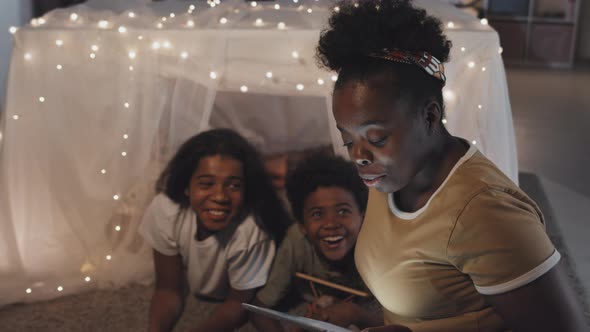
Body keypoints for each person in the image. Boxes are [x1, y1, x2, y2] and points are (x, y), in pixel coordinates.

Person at [316, 1, 588, 331]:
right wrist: (365, 315)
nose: (358, 155)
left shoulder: (484, 212)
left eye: (375, 137)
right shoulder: (391, 175)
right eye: (348, 140)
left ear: (429, 116)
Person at [139, 128, 291, 332]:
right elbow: (168, 289)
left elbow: (240, 305)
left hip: (247, 292)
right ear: (187, 186)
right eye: (206, 184)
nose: (220, 196)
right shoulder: (165, 210)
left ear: (246, 190)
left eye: (234, 186)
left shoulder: (251, 231)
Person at [251, 154, 382, 331]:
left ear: (362, 217)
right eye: (317, 214)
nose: (331, 224)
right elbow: (260, 309)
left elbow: (404, 321)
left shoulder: (375, 245)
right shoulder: (296, 242)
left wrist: (355, 313)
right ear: (302, 225)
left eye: (343, 211)